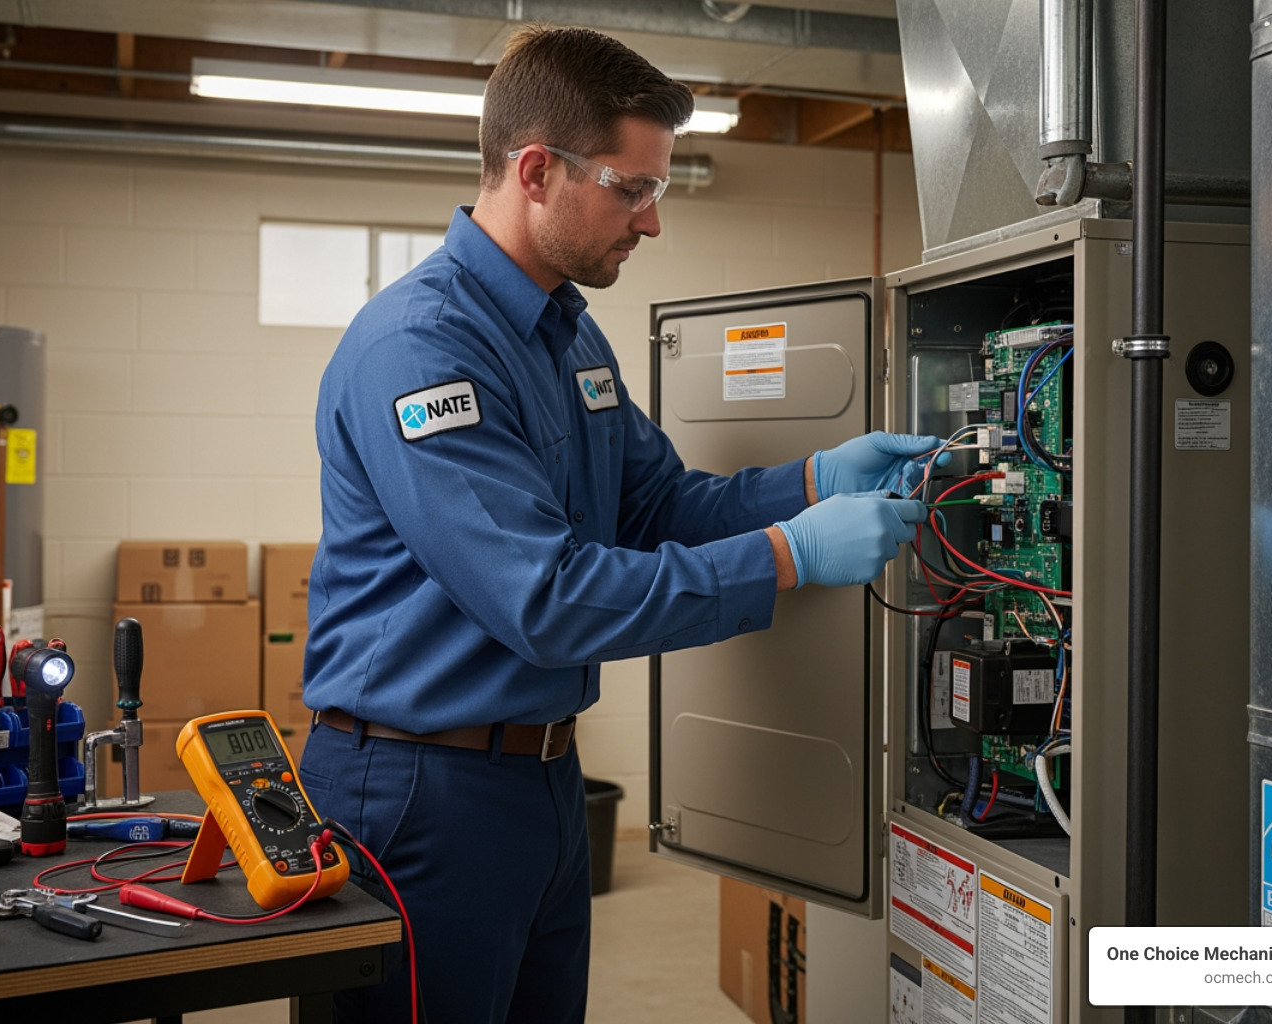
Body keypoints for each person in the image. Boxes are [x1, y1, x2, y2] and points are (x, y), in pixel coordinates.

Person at [300, 23, 940, 1024]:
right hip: (422, 788)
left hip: (546, 781)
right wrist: (790, 556)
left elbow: (655, 507)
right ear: (538, 170)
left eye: (658, 191)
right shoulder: (423, 350)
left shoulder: (567, 333)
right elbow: (546, 599)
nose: (650, 223)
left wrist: (811, 481)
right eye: (632, 189)